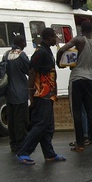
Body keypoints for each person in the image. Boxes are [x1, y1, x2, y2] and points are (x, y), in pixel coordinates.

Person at [15, 28, 66, 165]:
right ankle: (24, 152)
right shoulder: (41, 52)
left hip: (48, 94)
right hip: (41, 94)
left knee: (48, 126)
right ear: (49, 37)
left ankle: (49, 154)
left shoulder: (47, 51)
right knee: (40, 124)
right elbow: (32, 71)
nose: (56, 39)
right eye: (54, 37)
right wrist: (31, 93)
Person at [56, 20, 92, 152]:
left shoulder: (78, 40)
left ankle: (80, 144)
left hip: (76, 78)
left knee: (76, 111)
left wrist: (59, 61)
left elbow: (63, 49)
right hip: (90, 79)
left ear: (81, 29)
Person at [5, 34, 31, 154]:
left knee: (12, 120)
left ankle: (13, 143)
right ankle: (22, 144)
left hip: (8, 92)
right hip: (20, 92)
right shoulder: (21, 55)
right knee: (21, 120)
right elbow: (29, 70)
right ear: (22, 43)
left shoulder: (6, 54)